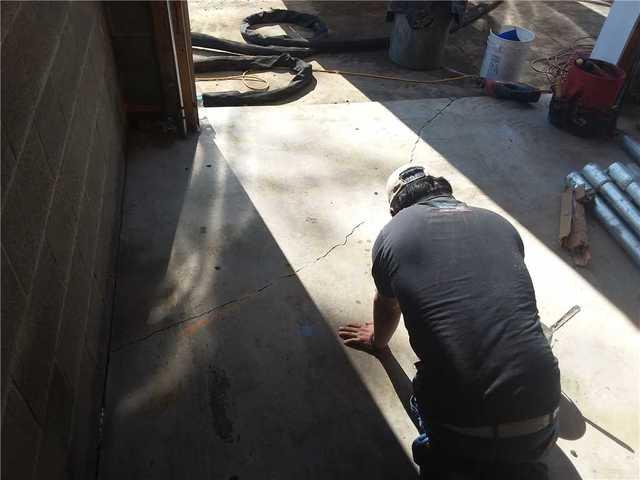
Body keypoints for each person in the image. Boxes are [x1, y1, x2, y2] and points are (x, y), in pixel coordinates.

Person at [338, 164, 560, 479]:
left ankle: (444, 452)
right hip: (545, 420)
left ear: (394, 209)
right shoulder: (500, 224)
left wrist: (378, 343)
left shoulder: (393, 233)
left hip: (462, 433)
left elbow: (387, 308)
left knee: (433, 412)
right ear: (445, 191)